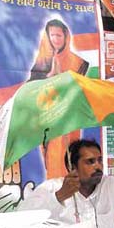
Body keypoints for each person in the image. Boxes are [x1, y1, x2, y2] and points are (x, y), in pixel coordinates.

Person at [29, 19, 89, 178]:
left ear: (66, 37)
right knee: (51, 159)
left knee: (67, 156)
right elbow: (32, 89)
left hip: (69, 120)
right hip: (47, 120)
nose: (55, 39)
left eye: (59, 35)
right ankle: (56, 193)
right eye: (52, 35)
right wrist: (50, 77)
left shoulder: (78, 62)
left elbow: (79, 92)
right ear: (47, 37)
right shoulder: (42, 61)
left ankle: (69, 192)